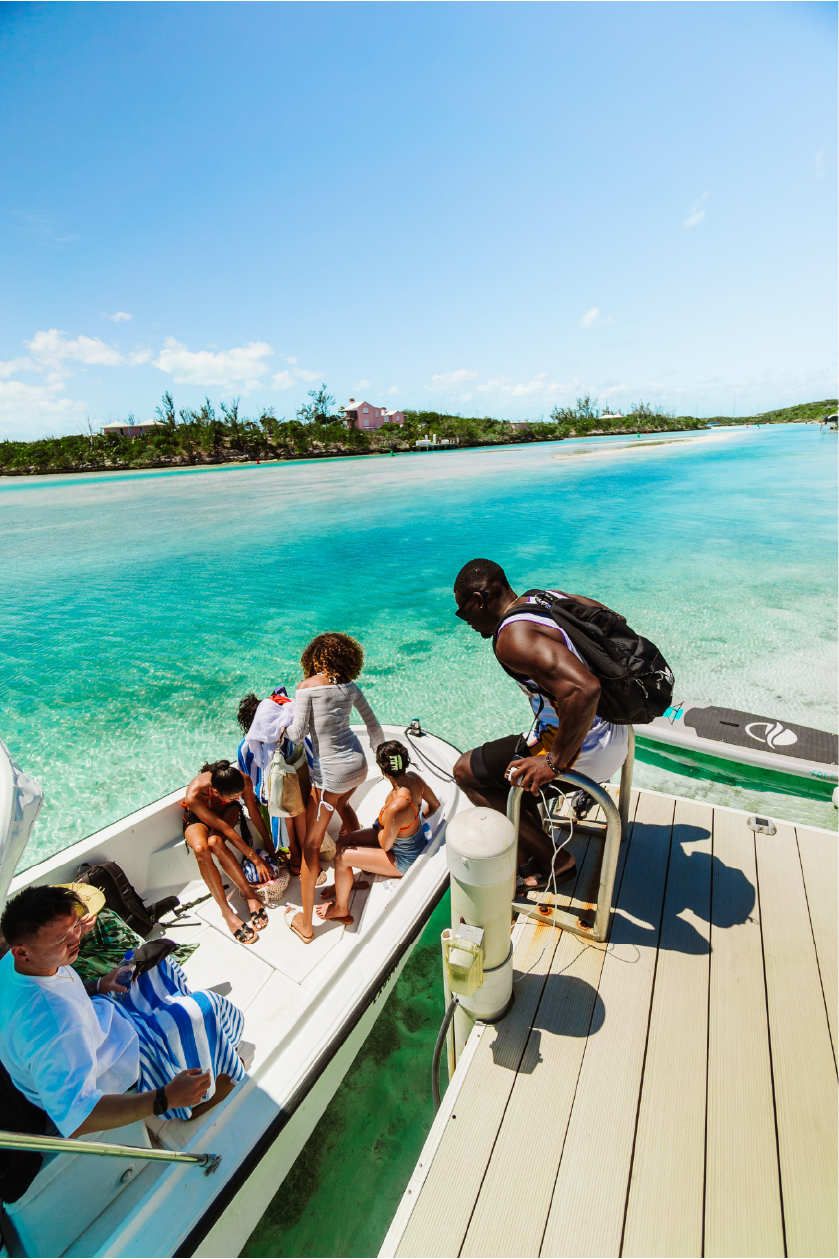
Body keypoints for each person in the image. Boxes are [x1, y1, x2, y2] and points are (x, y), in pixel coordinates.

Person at [0, 885, 245, 1139]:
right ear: (22, 951)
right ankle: (193, 1100)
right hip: (108, 1064)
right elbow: (78, 1118)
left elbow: (59, 992)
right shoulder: (56, 1028)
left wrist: (98, 985)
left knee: (160, 967)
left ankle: (208, 1048)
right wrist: (165, 1097)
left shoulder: (13, 962)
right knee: (202, 1008)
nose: (76, 941)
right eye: (62, 939)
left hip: (96, 1023)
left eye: (75, 927)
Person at [452, 558, 629, 890]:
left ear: (479, 600)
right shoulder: (546, 598)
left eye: (463, 613)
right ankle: (532, 848)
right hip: (616, 734)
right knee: (503, 761)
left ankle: (554, 861)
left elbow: (584, 688)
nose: (467, 623)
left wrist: (553, 762)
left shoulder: (511, 637)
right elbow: (615, 621)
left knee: (466, 771)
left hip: (583, 750)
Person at [284, 633, 384, 944]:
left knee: (312, 846)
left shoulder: (306, 689)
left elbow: (297, 736)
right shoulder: (350, 687)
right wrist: (384, 762)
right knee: (345, 807)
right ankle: (354, 876)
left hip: (330, 778)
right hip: (358, 767)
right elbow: (374, 726)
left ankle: (306, 924)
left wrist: (278, 724)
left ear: (314, 658)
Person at [317, 740, 440, 924]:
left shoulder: (397, 805)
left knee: (341, 857)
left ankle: (340, 909)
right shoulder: (414, 779)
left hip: (403, 859)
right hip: (402, 840)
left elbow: (385, 844)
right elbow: (435, 805)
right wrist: (417, 820)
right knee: (341, 843)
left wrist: (384, 822)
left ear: (384, 771)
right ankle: (345, 883)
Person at [181, 759, 274, 945]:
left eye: (239, 796)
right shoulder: (194, 796)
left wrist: (269, 845)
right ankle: (226, 912)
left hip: (225, 810)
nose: (239, 799)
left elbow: (253, 812)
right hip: (197, 815)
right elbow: (226, 830)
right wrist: (255, 859)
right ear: (215, 791)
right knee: (201, 849)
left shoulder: (242, 780)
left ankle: (250, 896)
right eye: (234, 797)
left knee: (215, 842)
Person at [62, 883, 198, 987]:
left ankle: (144, 919)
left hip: (134, 974)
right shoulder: (103, 913)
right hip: (140, 955)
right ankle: (144, 918)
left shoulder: (99, 922)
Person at [237, 687, 307, 878]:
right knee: (290, 810)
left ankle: (299, 852)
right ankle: (297, 852)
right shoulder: (252, 745)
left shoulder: (275, 738)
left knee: (293, 809)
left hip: (284, 789)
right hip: (272, 794)